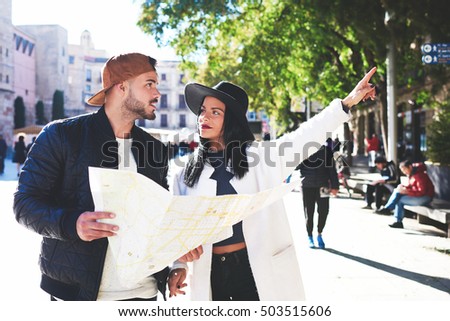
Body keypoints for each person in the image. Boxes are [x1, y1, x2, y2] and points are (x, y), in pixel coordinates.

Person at [168, 67, 377, 300]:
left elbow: (305, 136)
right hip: (209, 274)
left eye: (215, 112)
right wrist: (178, 265)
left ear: (232, 121)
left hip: (256, 271)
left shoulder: (261, 158)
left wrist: (347, 102)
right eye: (203, 110)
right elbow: (175, 227)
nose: (204, 117)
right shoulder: (184, 171)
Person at [13, 52, 199, 301]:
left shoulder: (153, 148)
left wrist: (176, 261)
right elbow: (24, 205)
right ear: (122, 87)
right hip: (77, 295)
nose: (157, 94)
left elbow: (159, 214)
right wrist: (72, 224)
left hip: (143, 295)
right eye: (149, 84)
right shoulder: (61, 135)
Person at [297, 142, 339, 249]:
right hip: (307, 186)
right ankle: (310, 236)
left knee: (324, 211)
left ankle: (319, 233)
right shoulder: (303, 149)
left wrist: (335, 186)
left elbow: (332, 170)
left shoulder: (326, 151)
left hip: (323, 185)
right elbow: (295, 166)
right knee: (309, 211)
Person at [377, 160, 435, 229]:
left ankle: (391, 213)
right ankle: (390, 211)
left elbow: (422, 192)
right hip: (419, 195)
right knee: (398, 191)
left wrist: (407, 191)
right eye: (402, 170)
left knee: (400, 200)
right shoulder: (412, 174)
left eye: (404, 169)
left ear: (410, 167)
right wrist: (403, 188)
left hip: (426, 197)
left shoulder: (419, 175)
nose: (404, 172)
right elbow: (412, 186)